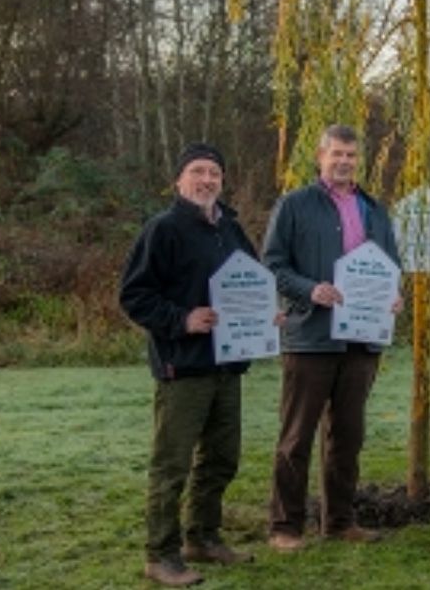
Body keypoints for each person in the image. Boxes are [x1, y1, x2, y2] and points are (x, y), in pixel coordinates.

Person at [119, 143, 266, 587]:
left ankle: (202, 537)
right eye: (198, 172)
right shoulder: (162, 230)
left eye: (214, 174)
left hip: (227, 365)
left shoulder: (232, 230)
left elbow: (250, 283)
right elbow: (134, 296)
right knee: (172, 465)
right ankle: (159, 554)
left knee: (222, 459)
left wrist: (264, 315)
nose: (207, 180)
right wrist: (182, 320)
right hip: (182, 367)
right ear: (179, 181)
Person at [262, 124, 402, 554]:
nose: (344, 162)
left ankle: (339, 521)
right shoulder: (295, 205)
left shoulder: (375, 210)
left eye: (351, 156)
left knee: (348, 436)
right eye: (337, 154)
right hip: (312, 337)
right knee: (297, 437)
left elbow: (390, 265)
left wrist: (394, 297)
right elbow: (273, 263)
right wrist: (309, 290)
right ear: (320, 157)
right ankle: (285, 527)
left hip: (361, 341)